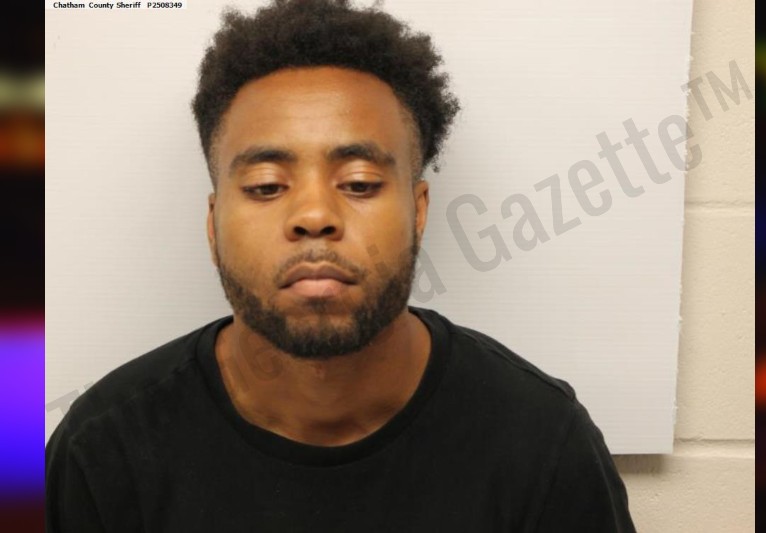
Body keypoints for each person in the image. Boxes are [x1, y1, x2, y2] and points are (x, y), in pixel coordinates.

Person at [45, 0, 636, 530]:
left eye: (358, 183)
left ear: (418, 210)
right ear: (213, 219)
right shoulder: (103, 452)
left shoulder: (540, 443)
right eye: (266, 185)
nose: (314, 216)